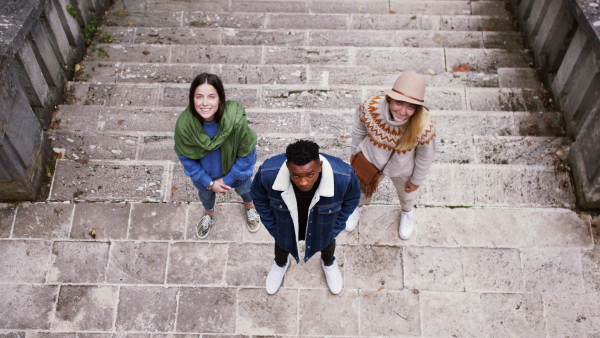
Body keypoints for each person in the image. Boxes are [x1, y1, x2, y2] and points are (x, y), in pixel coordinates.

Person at [250, 140, 360, 295]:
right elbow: (258, 197)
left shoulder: (344, 176)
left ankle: (328, 263)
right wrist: (274, 228)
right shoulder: (268, 173)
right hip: (286, 223)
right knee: (281, 244)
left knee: (328, 243)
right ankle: (280, 264)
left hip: (323, 223)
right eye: (296, 175)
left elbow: (352, 199)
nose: (303, 182)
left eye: (310, 174)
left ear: (319, 166)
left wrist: (334, 228)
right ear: (287, 167)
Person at [346, 71, 436, 240]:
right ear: (389, 99)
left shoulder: (423, 126)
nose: (402, 111)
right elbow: (359, 127)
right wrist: (355, 153)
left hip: (403, 169)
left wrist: (416, 180)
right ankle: (357, 207)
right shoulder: (370, 107)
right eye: (399, 103)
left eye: (410, 107)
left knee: (406, 194)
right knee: (360, 189)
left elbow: (426, 156)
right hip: (370, 160)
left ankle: (407, 212)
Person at [174, 73, 260, 239]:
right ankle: (208, 213)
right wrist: (209, 182)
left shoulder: (234, 120)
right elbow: (186, 158)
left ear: (220, 98)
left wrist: (226, 180)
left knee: (246, 189)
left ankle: (249, 207)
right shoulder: (185, 125)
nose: (205, 103)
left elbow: (247, 153)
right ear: (192, 99)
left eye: (211, 96)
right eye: (199, 97)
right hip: (205, 178)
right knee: (205, 196)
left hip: (236, 173)